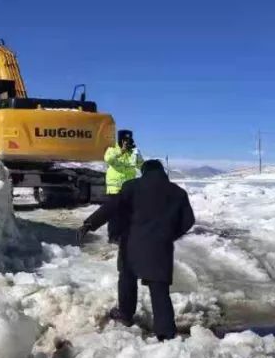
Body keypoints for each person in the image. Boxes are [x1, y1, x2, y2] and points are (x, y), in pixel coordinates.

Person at [80, 159, 195, 340]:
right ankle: (165, 333)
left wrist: (90, 223)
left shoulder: (132, 186)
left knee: (127, 279)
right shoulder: (178, 192)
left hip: (132, 244)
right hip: (160, 247)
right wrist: (170, 234)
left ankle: (125, 314)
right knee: (159, 289)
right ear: (161, 172)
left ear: (144, 171)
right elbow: (189, 220)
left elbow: (112, 206)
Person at [103, 129, 144, 242]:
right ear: (120, 139)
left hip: (129, 188)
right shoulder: (112, 149)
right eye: (125, 139)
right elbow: (108, 159)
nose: (127, 142)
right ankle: (113, 237)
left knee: (127, 214)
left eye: (129, 139)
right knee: (115, 214)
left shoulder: (134, 152)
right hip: (115, 187)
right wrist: (121, 151)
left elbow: (141, 165)